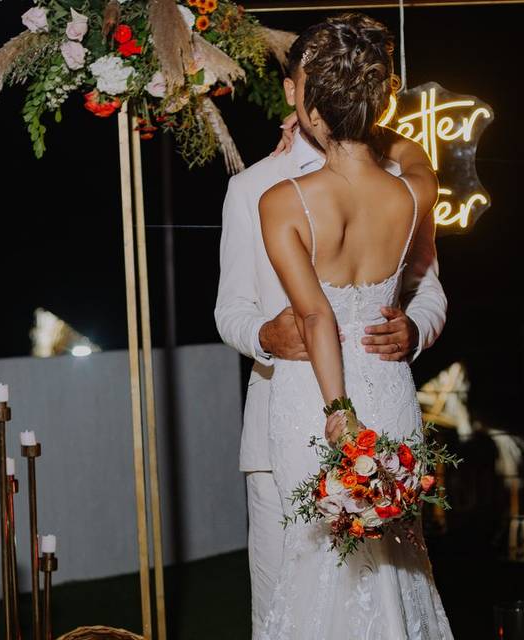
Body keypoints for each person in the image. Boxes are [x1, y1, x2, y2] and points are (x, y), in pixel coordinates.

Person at [213, 14, 448, 638]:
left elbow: (429, 289)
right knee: (283, 597)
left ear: (311, 99)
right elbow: (229, 310)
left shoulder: (374, 188)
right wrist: (265, 335)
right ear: (291, 88)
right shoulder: (251, 187)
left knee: (391, 571)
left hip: (345, 396)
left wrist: (416, 329)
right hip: (278, 426)